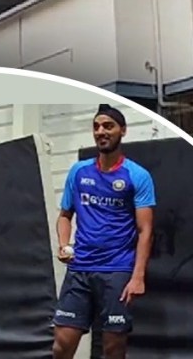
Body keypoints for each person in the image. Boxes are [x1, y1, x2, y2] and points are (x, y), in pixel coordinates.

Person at [52, 104, 156, 359]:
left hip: (117, 271)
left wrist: (138, 277)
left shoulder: (137, 176)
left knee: (113, 349)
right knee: (62, 346)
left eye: (108, 126)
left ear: (123, 131)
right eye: (96, 127)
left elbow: (146, 230)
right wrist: (63, 244)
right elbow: (65, 216)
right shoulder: (79, 171)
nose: (101, 131)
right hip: (80, 269)